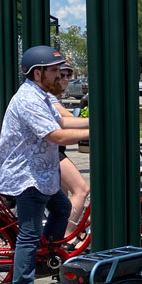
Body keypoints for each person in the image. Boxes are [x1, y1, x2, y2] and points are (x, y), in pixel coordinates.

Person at [0, 45, 90, 284]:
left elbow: (63, 120)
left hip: (42, 174)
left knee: (61, 210)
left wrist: (99, 121)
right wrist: (98, 131)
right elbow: (57, 136)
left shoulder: (42, 95)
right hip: (27, 176)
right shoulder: (28, 100)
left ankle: (44, 260)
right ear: (38, 73)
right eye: (53, 70)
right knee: (29, 233)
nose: (59, 74)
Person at [49, 64, 90, 239]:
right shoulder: (50, 99)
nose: (65, 78)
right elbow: (67, 120)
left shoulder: (54, 98)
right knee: (81, 189)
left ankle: (56, 238)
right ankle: (66, 237)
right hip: (53, 152)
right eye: (61, 74)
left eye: (68, 75)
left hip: (53, 152)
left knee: (63, 200)